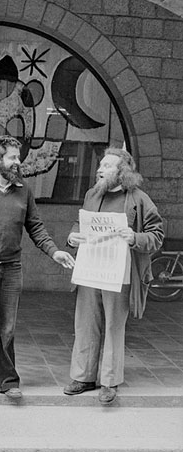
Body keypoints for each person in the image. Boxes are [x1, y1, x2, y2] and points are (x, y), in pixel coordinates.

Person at [0, 135, 75, 403]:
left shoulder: (23, 190)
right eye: (13, 157)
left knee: (7, 328)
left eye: (18, 157)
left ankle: (6, 381)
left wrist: (55, 252)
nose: (18, 162)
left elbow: (36, 227)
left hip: (11, 269)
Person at [64, 147, 164, 405]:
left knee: (113, 327)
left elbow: (157, 235)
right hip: (89, 271)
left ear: (122, 172)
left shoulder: (139, 199)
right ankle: (83, 376)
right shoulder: (92, 194)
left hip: (119, 274)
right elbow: (81, 224)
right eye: (100, 165)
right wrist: (72, 236)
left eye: (107, 166)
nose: (100, 169)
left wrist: (136, 237)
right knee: (85, 324)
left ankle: (109, 382)